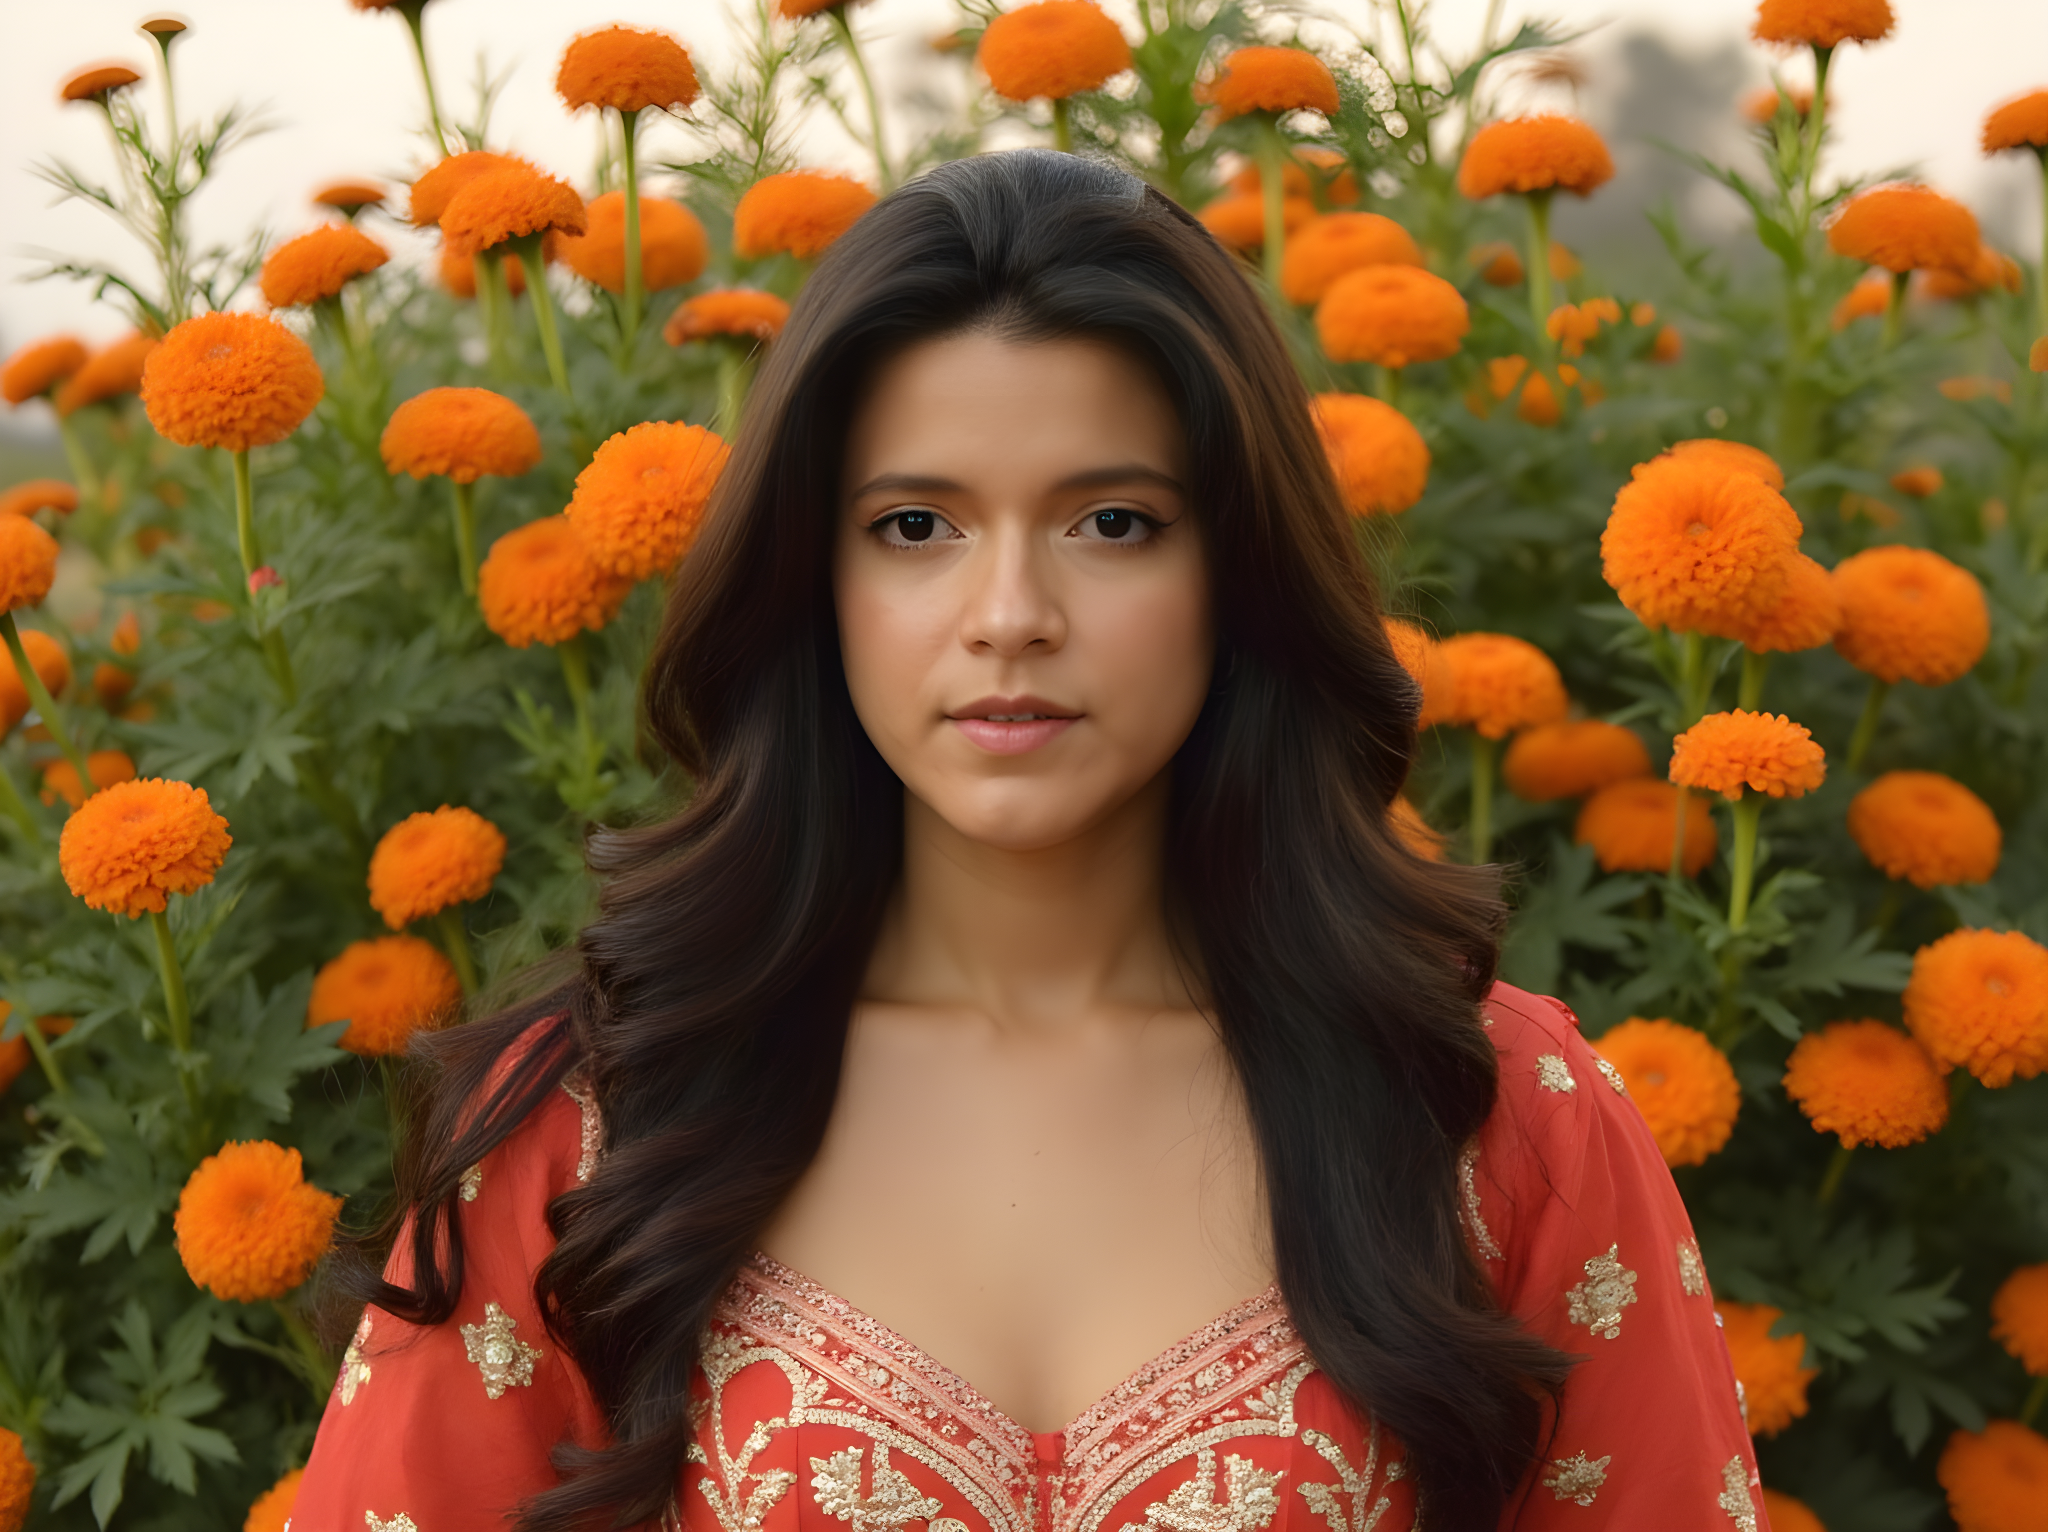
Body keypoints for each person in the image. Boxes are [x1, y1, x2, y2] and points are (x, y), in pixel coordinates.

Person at [292, 151, 1762, 1532]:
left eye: (1111, 523)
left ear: (1235, 572)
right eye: (916, 526)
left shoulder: (1498, 1108)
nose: (1010, 614)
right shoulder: (596, 1127)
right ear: (815, 581)